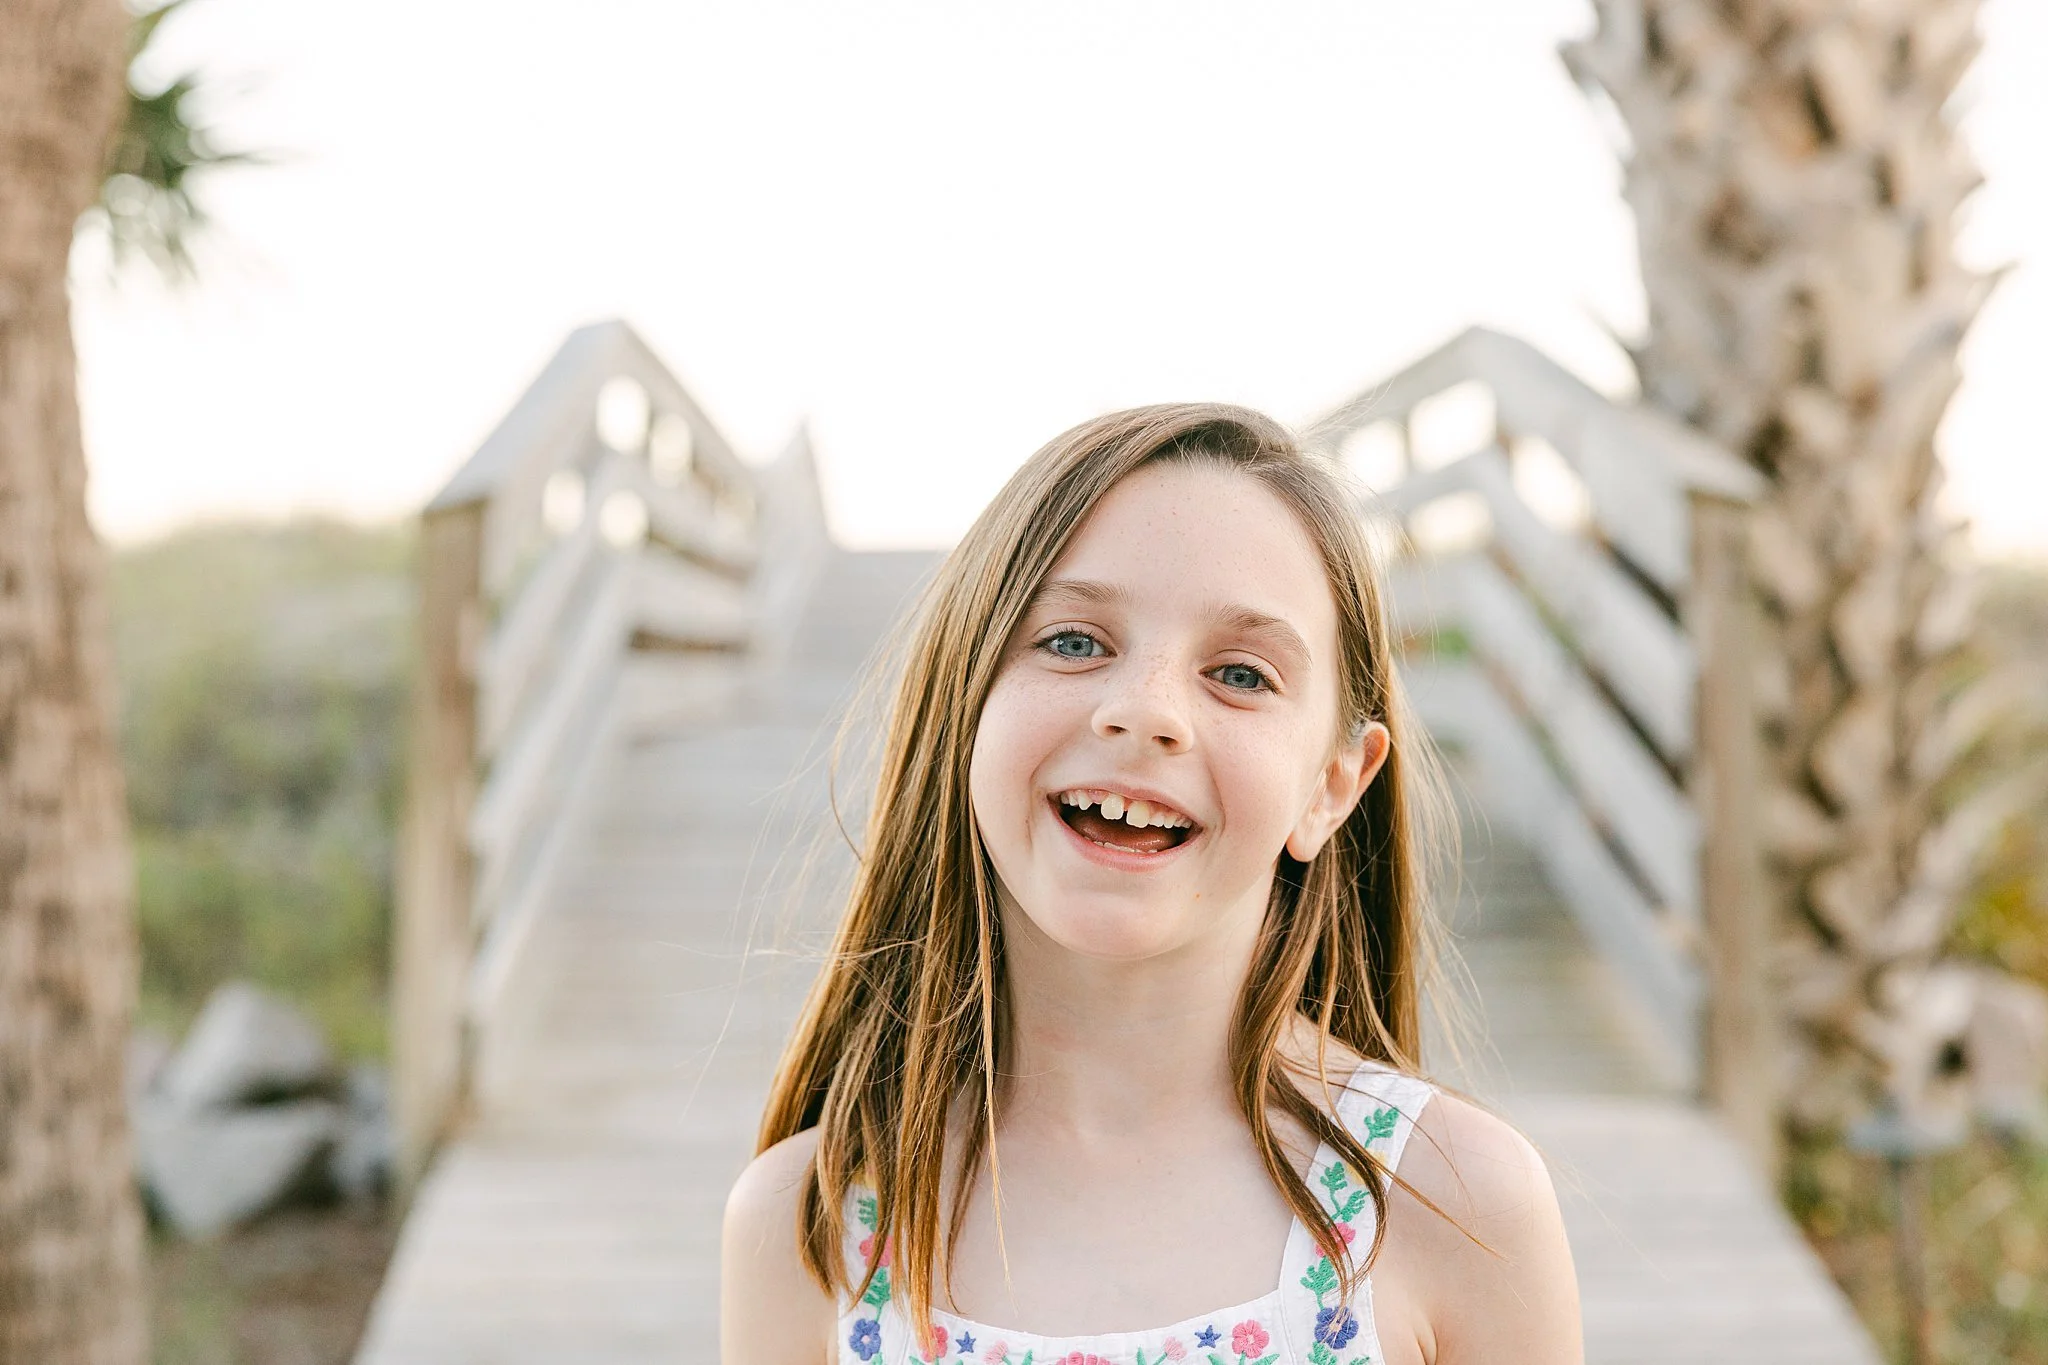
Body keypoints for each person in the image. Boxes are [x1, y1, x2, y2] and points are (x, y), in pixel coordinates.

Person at [722, 404, 1582, 1365]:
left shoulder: (1453, 1204)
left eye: (1241, 674)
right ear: (963, 701)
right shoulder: (815, 1221)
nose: (1145, 712)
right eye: (1075, 641)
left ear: (1334, 783)